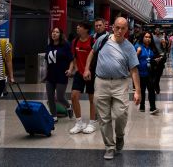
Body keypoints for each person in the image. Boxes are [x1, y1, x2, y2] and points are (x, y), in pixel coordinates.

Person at [83, 17, 140, 160]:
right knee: (104, 118)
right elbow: (92, 52)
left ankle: (120, 136)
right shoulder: (103, 40)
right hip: (101, 82)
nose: (120, 31)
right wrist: (86, 69)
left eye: (123, 28)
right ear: (113, 27)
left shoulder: (129, 47)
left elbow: (134, 70)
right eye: (117, 27)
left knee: (121, 114)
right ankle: (109, 146)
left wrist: (137, 91)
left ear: (127, 30)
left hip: (120, 83)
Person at [67, 21, 98, 134]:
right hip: (79, 73)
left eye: (80, 26)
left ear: (86, 29)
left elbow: (96, 58)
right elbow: (74, 57)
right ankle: (79, 123)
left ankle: (92, 122)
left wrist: (88, 70)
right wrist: (73, 68)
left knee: (92, 99)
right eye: (77, 26)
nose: (77, 28)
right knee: (74, 96)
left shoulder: (92, 41)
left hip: (91, 74)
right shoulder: (74, 42)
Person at [45, 27, 73, 122]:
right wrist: (44, 74)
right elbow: (46, 61)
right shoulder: (49, 46)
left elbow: (71, 59)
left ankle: (69, 106)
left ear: (60, 34)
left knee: (60, 97)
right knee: (50, 97)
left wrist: (70, 69)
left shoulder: (65, 45)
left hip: (61, 74)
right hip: (50, 75)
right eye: (53, 32)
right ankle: (54, 116)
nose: (54, 34)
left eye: (57, 32)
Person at [135, 31, 159, 114]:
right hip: (140, 73)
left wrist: (156, 60)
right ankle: (142, 105)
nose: (148, 39)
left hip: (150, 73)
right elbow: (132, 59)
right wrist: (137, 53)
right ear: (142, 37)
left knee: (151, 90)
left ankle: (153, 107)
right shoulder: (138, 46)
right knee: (142, 90)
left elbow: (156, 57)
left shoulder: (152, 48)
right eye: (146, 37)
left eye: (149, 37)